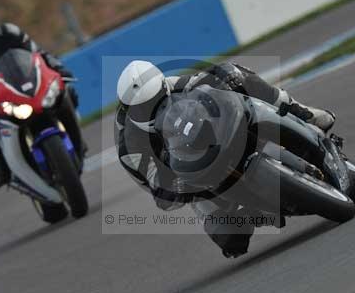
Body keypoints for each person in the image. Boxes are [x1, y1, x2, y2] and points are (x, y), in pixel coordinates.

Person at [115, 59, 335, 257]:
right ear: (129, 110)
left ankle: (303, 113)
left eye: (157, 101)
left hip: (205, 135)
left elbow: (204, 79)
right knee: (230, 238)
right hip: (180, 172)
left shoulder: (172, 86)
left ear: (164, 86)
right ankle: (253, 214)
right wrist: (174, 188)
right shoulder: (131, 145)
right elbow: (160, 192)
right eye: (144, 109)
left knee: (238, 76)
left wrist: (228, 76)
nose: (153, 111)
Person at [0, 1, 84, 187]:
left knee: (66, 92)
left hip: (25, 88)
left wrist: (59, 69)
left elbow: (39, 54)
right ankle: (4, 165)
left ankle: (78, 141)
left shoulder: (10, 33)